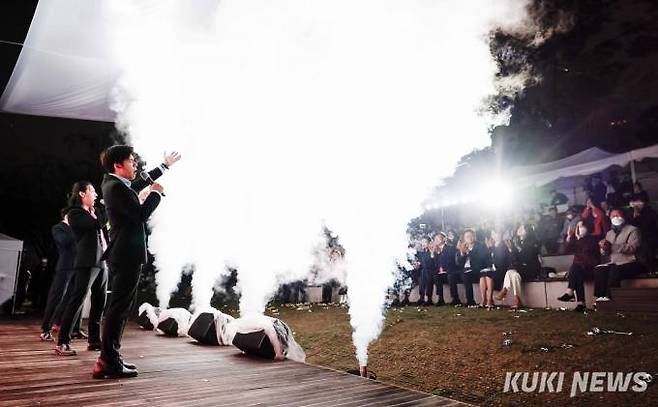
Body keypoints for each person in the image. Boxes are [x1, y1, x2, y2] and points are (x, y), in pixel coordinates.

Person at [93, 146, 180, 379]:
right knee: (118, 309)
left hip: (125, 254)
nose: (136, 165)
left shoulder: (115, 184)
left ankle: (111, 357)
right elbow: (140, 216)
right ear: (117, 166)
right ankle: (107, 361)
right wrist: (156, 194)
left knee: (119, 308)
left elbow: (139, 183)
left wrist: (164, 167)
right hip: (126, 254)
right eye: (131, 161)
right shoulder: (115, 187)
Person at [54, 182, 109, 356]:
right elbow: (97, 225)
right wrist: (108, 207)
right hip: (87, 261)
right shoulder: (75, 213)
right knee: (77, 299)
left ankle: (94, 340)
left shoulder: (94, 212)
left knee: (100, 301)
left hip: (102, 261)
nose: (96, 195)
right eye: (93, 191)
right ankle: (63, 342)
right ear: (82, 194)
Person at [40, 208, 81, 341]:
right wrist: (75, 229)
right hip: (65, 267)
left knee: (72, 298)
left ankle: (62, 324)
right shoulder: (58, 228)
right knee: (56, 297)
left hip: (79, 266)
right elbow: (64, 241)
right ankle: (46, 329)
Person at [594, 209, 644, 301]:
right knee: (599, 269)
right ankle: (599, 297)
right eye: (613, 216)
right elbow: (606, 253)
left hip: (631, 262)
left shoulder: (633, 230)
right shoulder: (609, 233)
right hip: (614, 263)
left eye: (618, 215)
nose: (615, 217)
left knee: (615, 270)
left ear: (623, 217)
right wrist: (603, 248)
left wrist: (612, 246)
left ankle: (609, 297)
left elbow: (632, 248)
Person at [557, 220, 600, 312]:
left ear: (587, 227)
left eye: (581, 226)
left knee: (575, 269)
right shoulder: (577, 240)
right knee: (576, 271)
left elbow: (587, 255)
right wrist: (568, 237)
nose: (580, 229)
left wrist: (579, 239)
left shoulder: (593, 239)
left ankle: (572, 294)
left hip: (591, 269)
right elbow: (565, 251)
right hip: (580, 269)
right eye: (578, 227)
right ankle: (579, 302)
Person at [455, 229, 490, 307]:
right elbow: (459, 264)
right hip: (465, 270)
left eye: (471, 236)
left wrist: (468, 252)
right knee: (460, 275)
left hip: (477, 269)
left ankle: (471, 301)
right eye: (467, 237)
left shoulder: (480, 245)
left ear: (474, 237)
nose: (470, 238)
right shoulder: (462, 247)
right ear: (464, 239)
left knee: (466, 276)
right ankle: (467, 301)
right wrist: (462, 252)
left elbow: (481, 260)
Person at [630, 195, 658, 273]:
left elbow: (650, 224)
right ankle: (646, 270)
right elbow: (632, 226)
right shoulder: (633, 213)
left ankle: (652, 270)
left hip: (651, 237)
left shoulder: (651, 212)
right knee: (642, 256)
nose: (638, 204)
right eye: (636, 202)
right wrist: (635, 217)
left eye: (639, 202)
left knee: (649, 254)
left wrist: (640, 216)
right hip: (639, 238)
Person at [417, 237, 438, 305]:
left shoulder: (433, 251)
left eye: (425, 242)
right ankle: (422, 297)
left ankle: (429, 298)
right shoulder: (420, 253)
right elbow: (420, 264)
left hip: (432, 271)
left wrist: (432, 255)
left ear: (429, 243)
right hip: (424, 271)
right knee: (423, 274)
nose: (423, 244)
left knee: (427, 273)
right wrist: (418, 264)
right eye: (422, 242)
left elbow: (435, 263)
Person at [431, 233, 450, 306]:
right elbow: (434, 264)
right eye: (435, 239)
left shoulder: (449, 248)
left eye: (438, 238)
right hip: (439, 272)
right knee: (436, 277)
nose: (436, 240)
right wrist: (433, 254)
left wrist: (444, 269)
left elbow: (450, 260)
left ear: (443, 239)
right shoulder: (435, 250)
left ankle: (455, 298)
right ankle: (440, 298)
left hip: (448, 271)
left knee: (449, 276)